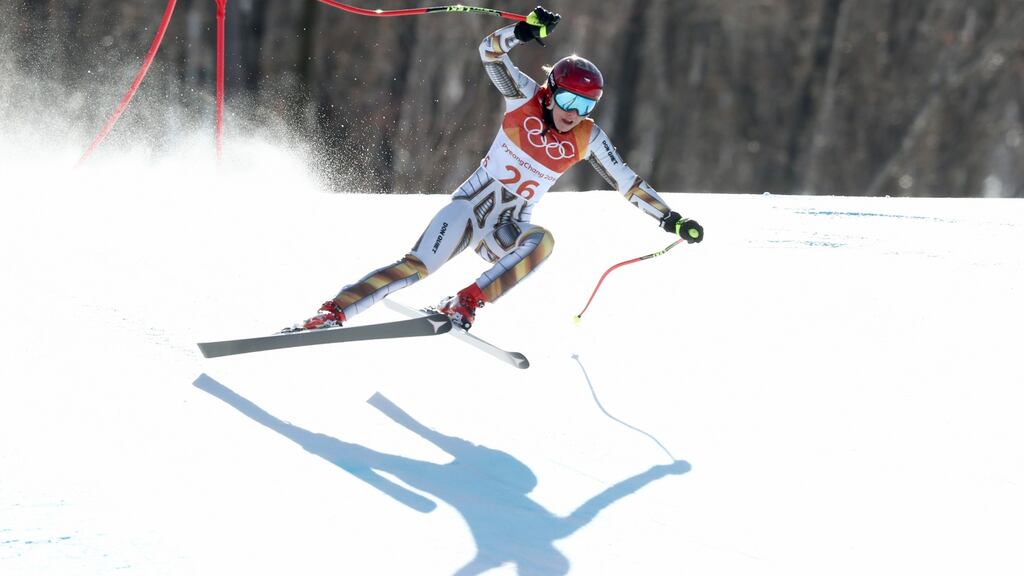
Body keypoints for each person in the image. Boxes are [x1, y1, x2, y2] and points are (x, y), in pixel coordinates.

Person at [293, 6, 703, 332]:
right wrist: (521, 33)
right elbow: (489, 52)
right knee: (415, 268)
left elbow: (628, 184)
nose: (573, 114)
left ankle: (466, 300)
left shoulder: (588, 138)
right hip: (468, 212)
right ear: (552, 91)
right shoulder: (524, 96)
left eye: (586, 107)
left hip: (506, 229)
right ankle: (334, 311)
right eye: (569, 102)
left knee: (542, 243)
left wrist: (671, 219)